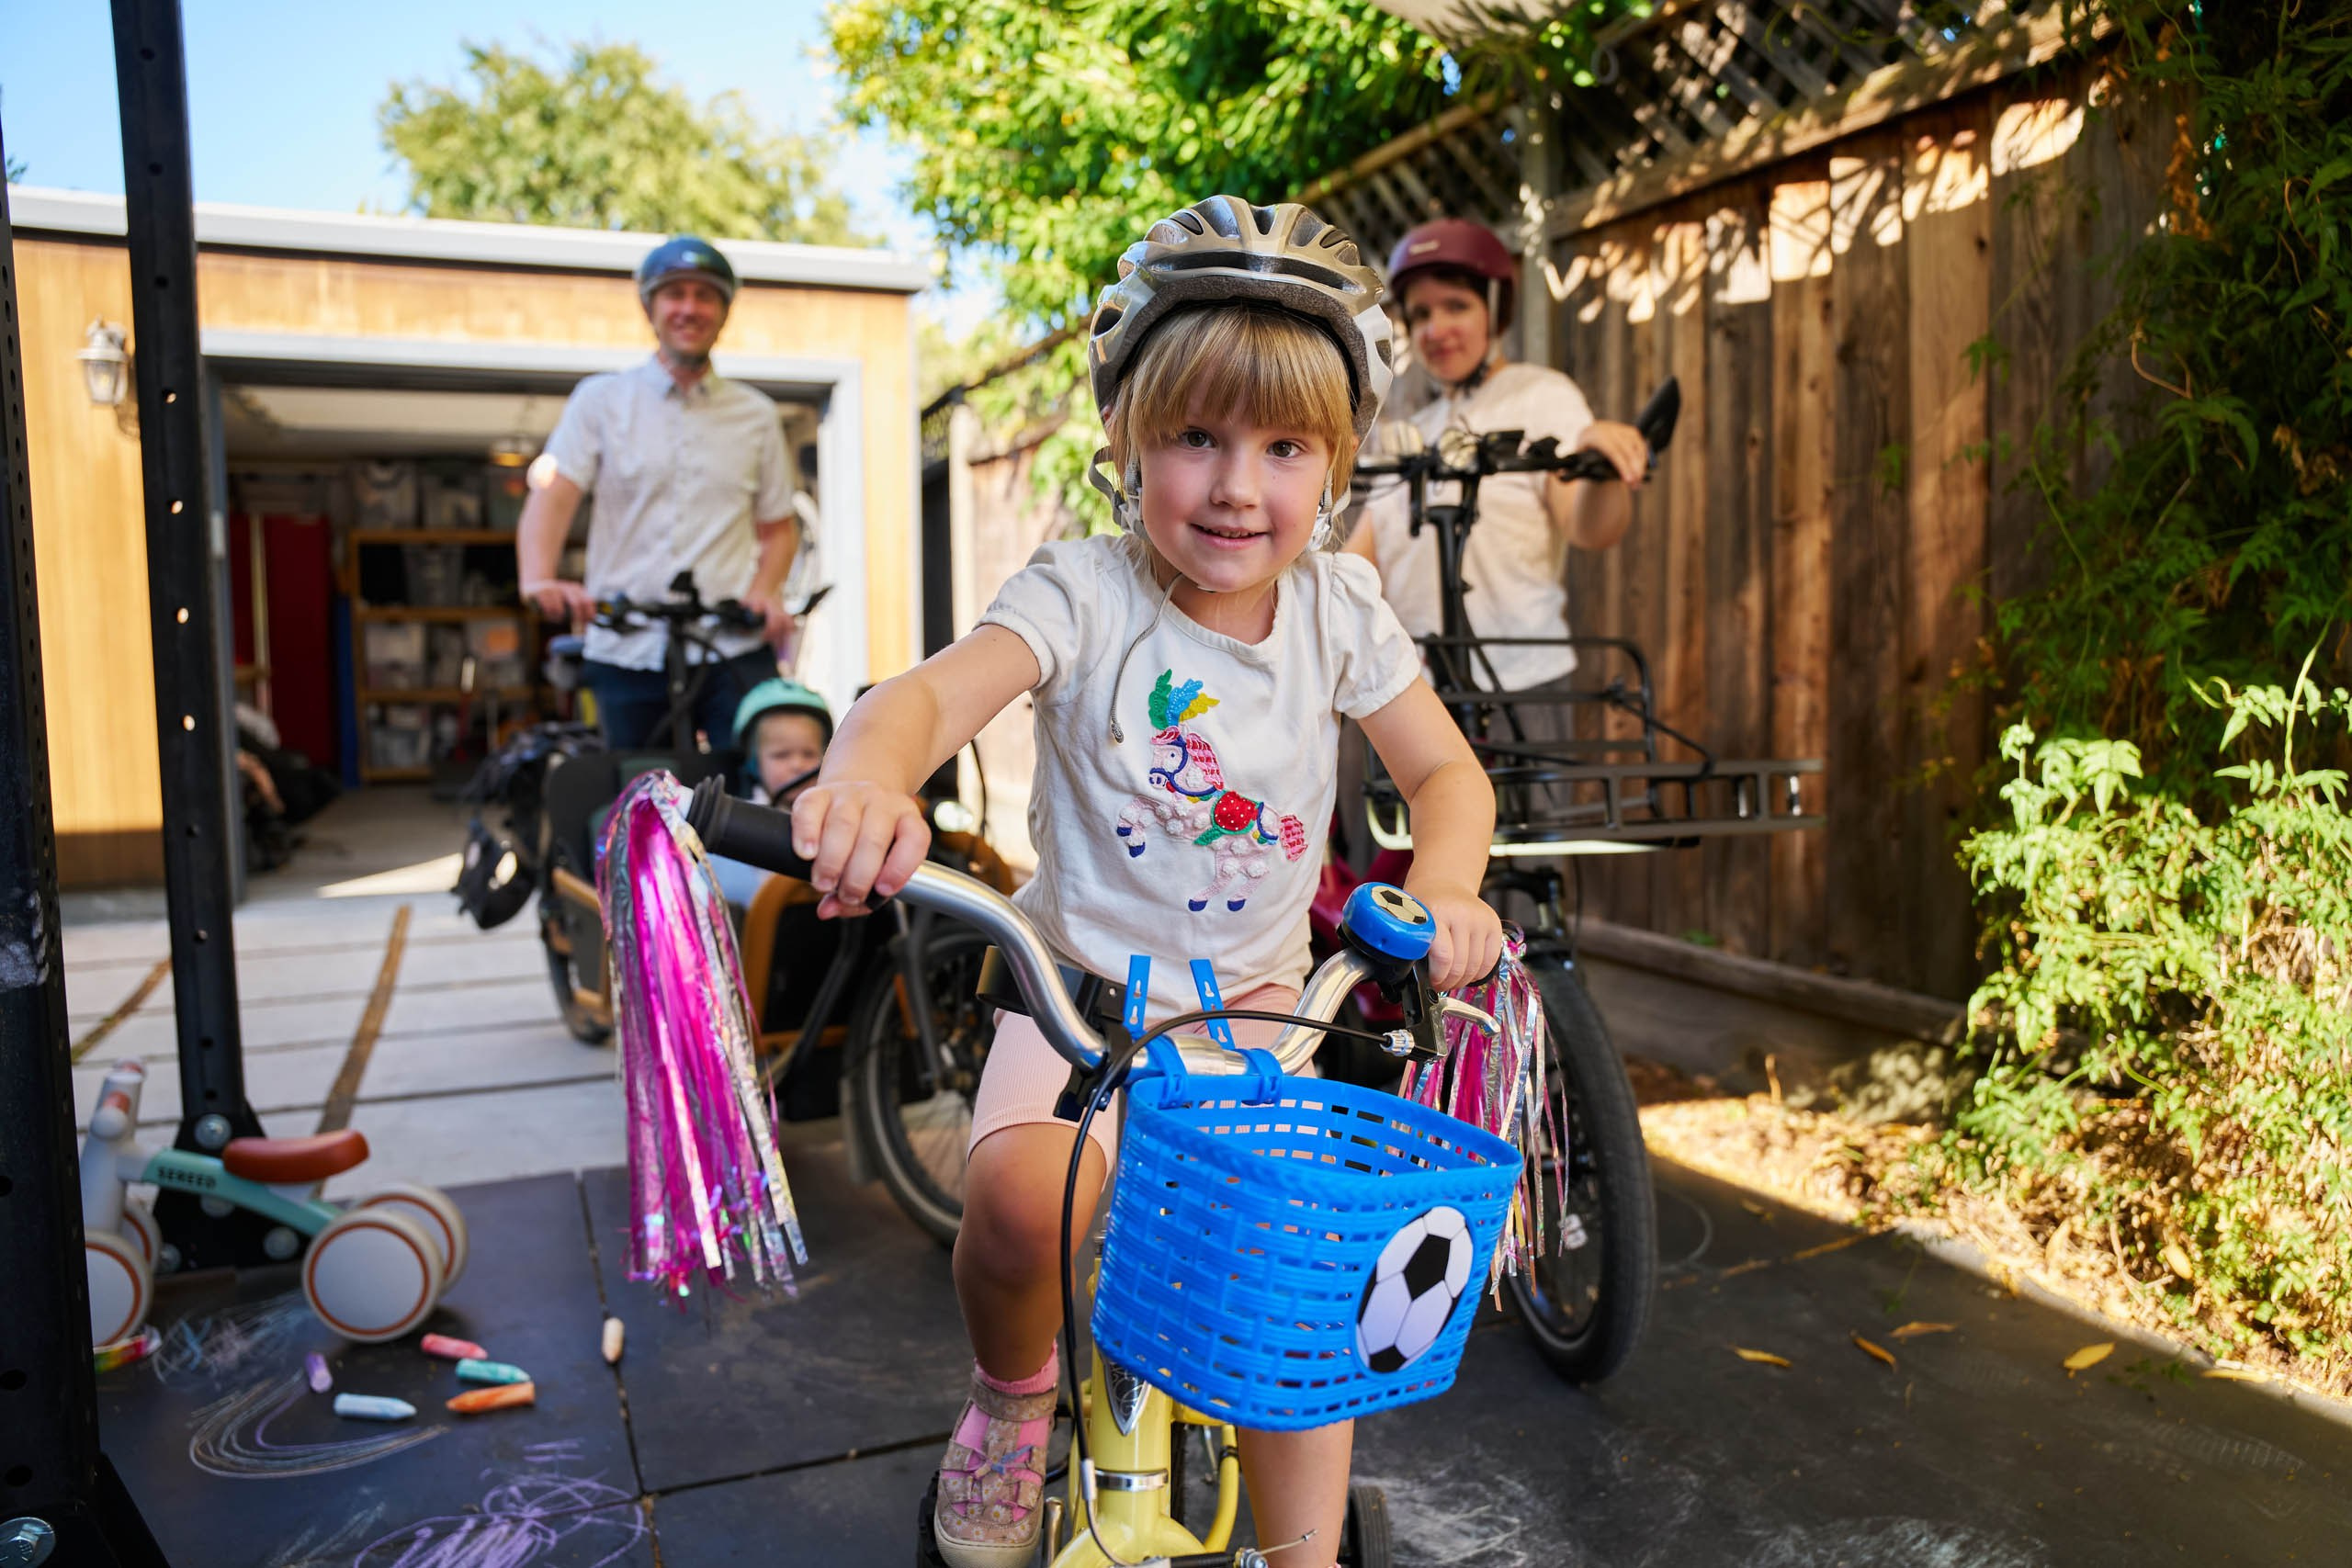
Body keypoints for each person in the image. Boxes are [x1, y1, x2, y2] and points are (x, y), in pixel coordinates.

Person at [787, 197, 1502, 1568]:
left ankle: (1303, 1552)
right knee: (1016, 1212)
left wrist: (1453, 886)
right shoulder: (1082, 594)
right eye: (1196, 437)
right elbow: (925, 699)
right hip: (1078, 997)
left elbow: (1449, 781)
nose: (1239, 485)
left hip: (1259, 1006)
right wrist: (873, 774)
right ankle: (1011, 1400)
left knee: (1288, 1290)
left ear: (1336, 462)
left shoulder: (1338, 612)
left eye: (1285, 446)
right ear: (1124, 442)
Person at [514, 235, 800, 749]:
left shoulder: (755, 415)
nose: (689, 308)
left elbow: (778, 528)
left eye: (705, 295)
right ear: (650, 306)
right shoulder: (600, 400)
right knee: (636, 802)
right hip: (628, 646)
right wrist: (538, 578)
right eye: (675, 294)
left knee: (746, 800)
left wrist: (763, 592)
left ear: (723, 311)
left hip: (728, 647)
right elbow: (555, 493)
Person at [1343, 216, 1648, 694]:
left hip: (1521, 679)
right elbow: (1363, 560)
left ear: (1494, 310)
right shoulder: (1415, 432)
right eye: (1420, 314)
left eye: (1456, 306)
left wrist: (1602, 470)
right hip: (1413, 687)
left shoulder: (1540, 396)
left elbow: (1590, 528)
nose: (1435, 328)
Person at [707, 678, 833, 909]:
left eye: (808, 753)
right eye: (781, 755)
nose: (797, 765)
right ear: (754, 762)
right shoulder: (735, 824)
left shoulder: (836, 816)